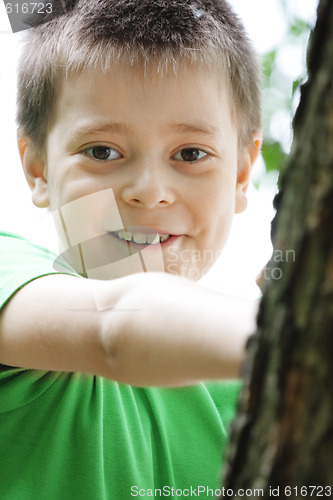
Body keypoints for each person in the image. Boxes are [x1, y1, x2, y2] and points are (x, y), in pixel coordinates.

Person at [0, 0, 262, 498]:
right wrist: (294, 329)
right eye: (102, 152)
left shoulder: (265, 400)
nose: (148, 190)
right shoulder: (8, 273)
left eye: (190, 154)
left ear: (241, 174)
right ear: (37, 169)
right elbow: (116, 326)